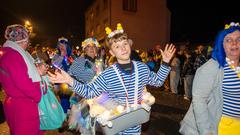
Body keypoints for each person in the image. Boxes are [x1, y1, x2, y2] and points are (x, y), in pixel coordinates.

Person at [48, 23, 176, 134]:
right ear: (112, 53)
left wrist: (165, 62)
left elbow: (158, 81)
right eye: (117, 46)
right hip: (115, 126)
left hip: (136, 124)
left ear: (130, 45)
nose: (123, 48)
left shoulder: (142, 68)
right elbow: (90, 92)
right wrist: (69, 80)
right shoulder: (108, 74)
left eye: (125, 43)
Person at [179, 22, 240, 135]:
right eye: (229, 40)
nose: (234, 43)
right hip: (220, 126)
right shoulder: (213, 67)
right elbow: (199, 100)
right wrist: (206, 130)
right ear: (221, 44)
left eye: (238, 39)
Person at [0, 24, 43, 135]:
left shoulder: (9, 52)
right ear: (24, 40)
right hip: (23, 106)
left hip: (18, 103)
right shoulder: (13, 55)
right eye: (28, 40)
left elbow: (17, 75)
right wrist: (37, 95)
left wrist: (37, 72)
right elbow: (23, 83)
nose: (28, 44)